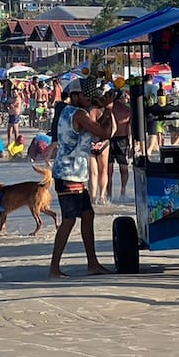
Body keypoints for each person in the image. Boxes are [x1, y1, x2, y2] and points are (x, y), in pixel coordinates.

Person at [48, 79, 116, 279]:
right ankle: (54, 268)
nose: (89, 99)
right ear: (75, 95)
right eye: (86, 96)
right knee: (69, 220)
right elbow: (104, 133)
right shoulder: (78, 114)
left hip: (72, 174)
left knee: (87, 216)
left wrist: (104, 110)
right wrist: (109, 110)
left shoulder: (68, 112)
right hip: (69, 174)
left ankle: (92, 263)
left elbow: (98, 132)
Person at [107, 88, 133, 201]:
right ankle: (123, 191)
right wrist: (132, 143)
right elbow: (130, 128)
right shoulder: (127, 110)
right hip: (122, 139)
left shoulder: (108, 108)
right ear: (122, 98)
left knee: (109, 169)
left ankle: (108, 194)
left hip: (108, 139)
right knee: (123, 167)